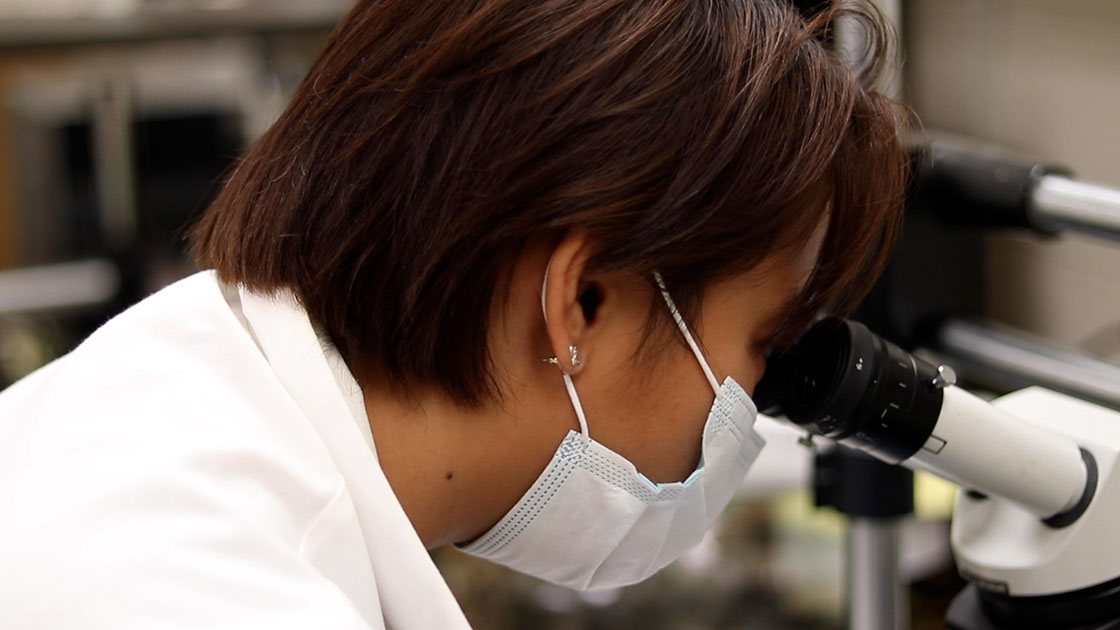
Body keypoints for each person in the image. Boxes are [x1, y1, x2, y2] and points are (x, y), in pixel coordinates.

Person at [0, 0, 906, 628]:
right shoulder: (205, 598)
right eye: (764, 345)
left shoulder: (173, 391)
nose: (753, 404)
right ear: (579, 303)